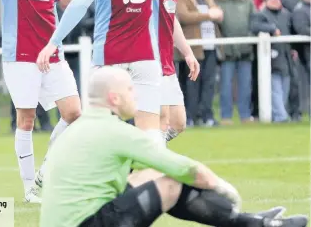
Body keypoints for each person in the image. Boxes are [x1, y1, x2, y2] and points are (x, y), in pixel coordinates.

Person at [40, 66, 308, 227]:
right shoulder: (116, 131)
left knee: (151, 175)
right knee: (171, 183)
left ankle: (253, 222)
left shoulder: (80, 128)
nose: (137, 96)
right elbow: (188, 170)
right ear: (114, 97)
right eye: (132, 91)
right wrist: (225, 188)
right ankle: (254, 223)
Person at [37, 0, 169, 179]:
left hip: (109, 57)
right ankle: (143, 194)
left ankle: (50, 172)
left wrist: (54, 41)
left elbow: (80, 3)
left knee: (94, 126)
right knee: (150, 133)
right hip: (145, 55)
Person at [0, 0, 81, 203]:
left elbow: (50, 7)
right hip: (20, 55)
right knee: (27, 119)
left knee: (74, 113)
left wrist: (54, 43)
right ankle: (30, 189)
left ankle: (47, 169)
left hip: (52, 53)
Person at [153, 0, 199, 142]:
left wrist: (187, 52)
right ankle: (149, 164)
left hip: (166, 61)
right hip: (148, 59)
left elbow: (170, 19)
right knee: (160, 120)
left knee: (178, 123)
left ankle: (137, 158)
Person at [176, 0, 223, 127]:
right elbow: (183, 16)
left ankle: (207, 116)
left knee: (209, 83)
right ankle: (189, 116)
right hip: (193, 47)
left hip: (210, 46)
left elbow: (218, 12)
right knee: (191, 83)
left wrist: (214, 13)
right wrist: (208, 15)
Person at [212, 0, 255, 125]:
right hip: (226, 50)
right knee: (225, 86)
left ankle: (245, 115)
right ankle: (226, 116)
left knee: (245, 85)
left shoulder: (247, 0)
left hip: (245, 49)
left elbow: (254, 19)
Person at [250, 0, 295, 123]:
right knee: (275, 89)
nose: (275, 2)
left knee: (284, 89)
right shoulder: (260, 15)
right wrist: (272, 29)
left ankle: (279, 115)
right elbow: (254, 26)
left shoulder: (286, 15)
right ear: (266, 1)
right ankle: (281, 116)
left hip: (286, 58)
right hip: (271, 60)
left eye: (277, 0)